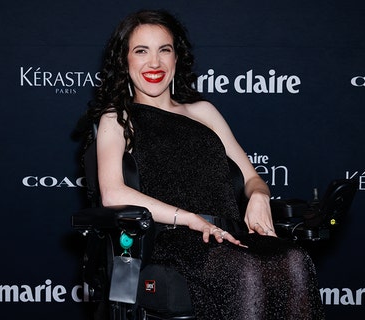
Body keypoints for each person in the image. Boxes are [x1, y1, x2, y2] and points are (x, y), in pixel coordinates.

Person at [81, 9, 324, 320]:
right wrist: (191, 219)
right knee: (246, 271)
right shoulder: (118, 118)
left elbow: (252, 179)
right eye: (141, 51)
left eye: (164, 50)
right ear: (124, 60)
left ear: (176, 58)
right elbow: (113, 194)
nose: (154, 63)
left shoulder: (204, 112)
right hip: (172, 238)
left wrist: (260, 196)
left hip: (230, 235)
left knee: (295, 260)